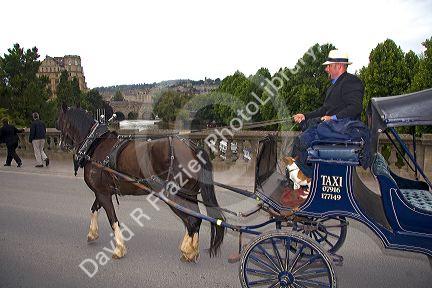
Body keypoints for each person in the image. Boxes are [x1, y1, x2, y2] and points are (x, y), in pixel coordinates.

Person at [289, 49, 365, 181]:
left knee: (300, 142)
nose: (326, 69)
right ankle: (307, 179)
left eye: (328, 66)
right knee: (301, 140)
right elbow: (325, 110)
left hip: (342, 131)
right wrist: (305, 116)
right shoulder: (333, 86)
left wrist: (333, 118)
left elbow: (356, 107)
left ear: (339, 66)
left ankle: (310, 180)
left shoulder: (351, 81)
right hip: (333, 129)